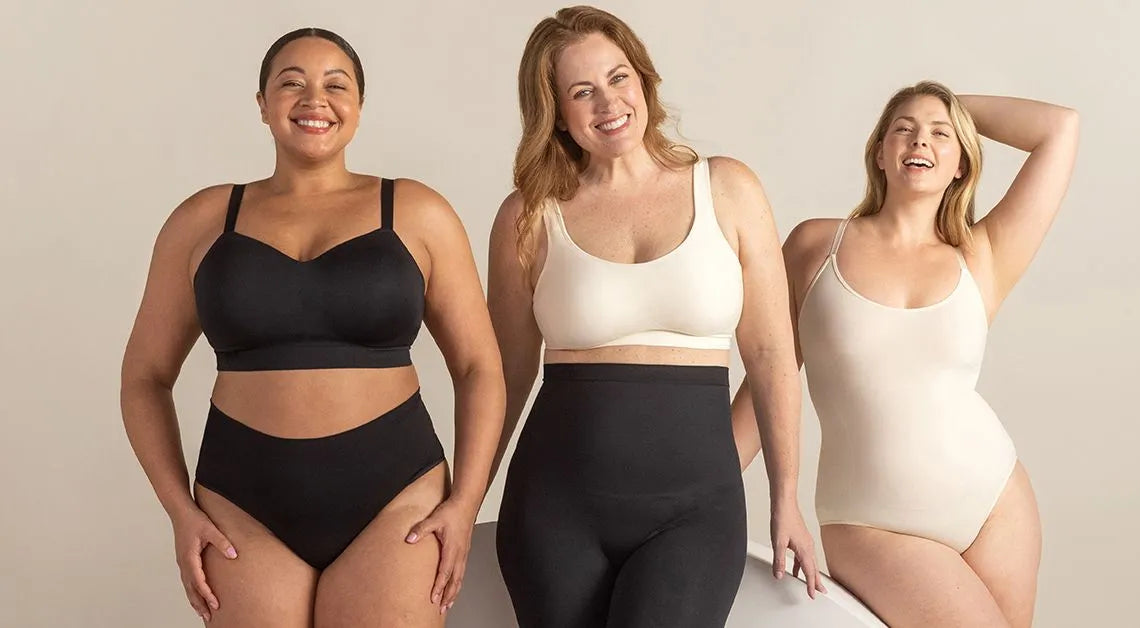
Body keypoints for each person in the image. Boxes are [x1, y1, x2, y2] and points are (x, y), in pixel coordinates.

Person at [119, 27, 504, 626]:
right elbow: (144, 377)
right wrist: (179, 511)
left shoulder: (417, 211)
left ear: (359, 105)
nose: (314, 99)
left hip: (396, 498)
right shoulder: (201, 220)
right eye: (291, 83)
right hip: (241, 504)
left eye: (335, 85)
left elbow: (479, 367)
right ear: (262, 103)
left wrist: (465, 503)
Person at [487, 7, 823, 627]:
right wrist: (463, 503)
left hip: (694, 513)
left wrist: (787, 498)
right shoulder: (528, 216)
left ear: (643, 80)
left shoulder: (728, 188)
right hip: (553, 512)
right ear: (555, 112)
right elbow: (502, 378)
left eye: (618, 78)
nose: (607, 102)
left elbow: (772, 357)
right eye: (581, 91)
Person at [731, 81, 1079, 627]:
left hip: (995, 502)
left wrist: (950, 105)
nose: (920, 141)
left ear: (961, 164)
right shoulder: (815, 246)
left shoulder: (983, 255)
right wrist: (694, 499)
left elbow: (1060, 128)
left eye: (940, 135)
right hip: (872, 521)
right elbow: (768, 377)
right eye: (904, 129)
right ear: (879, 153)